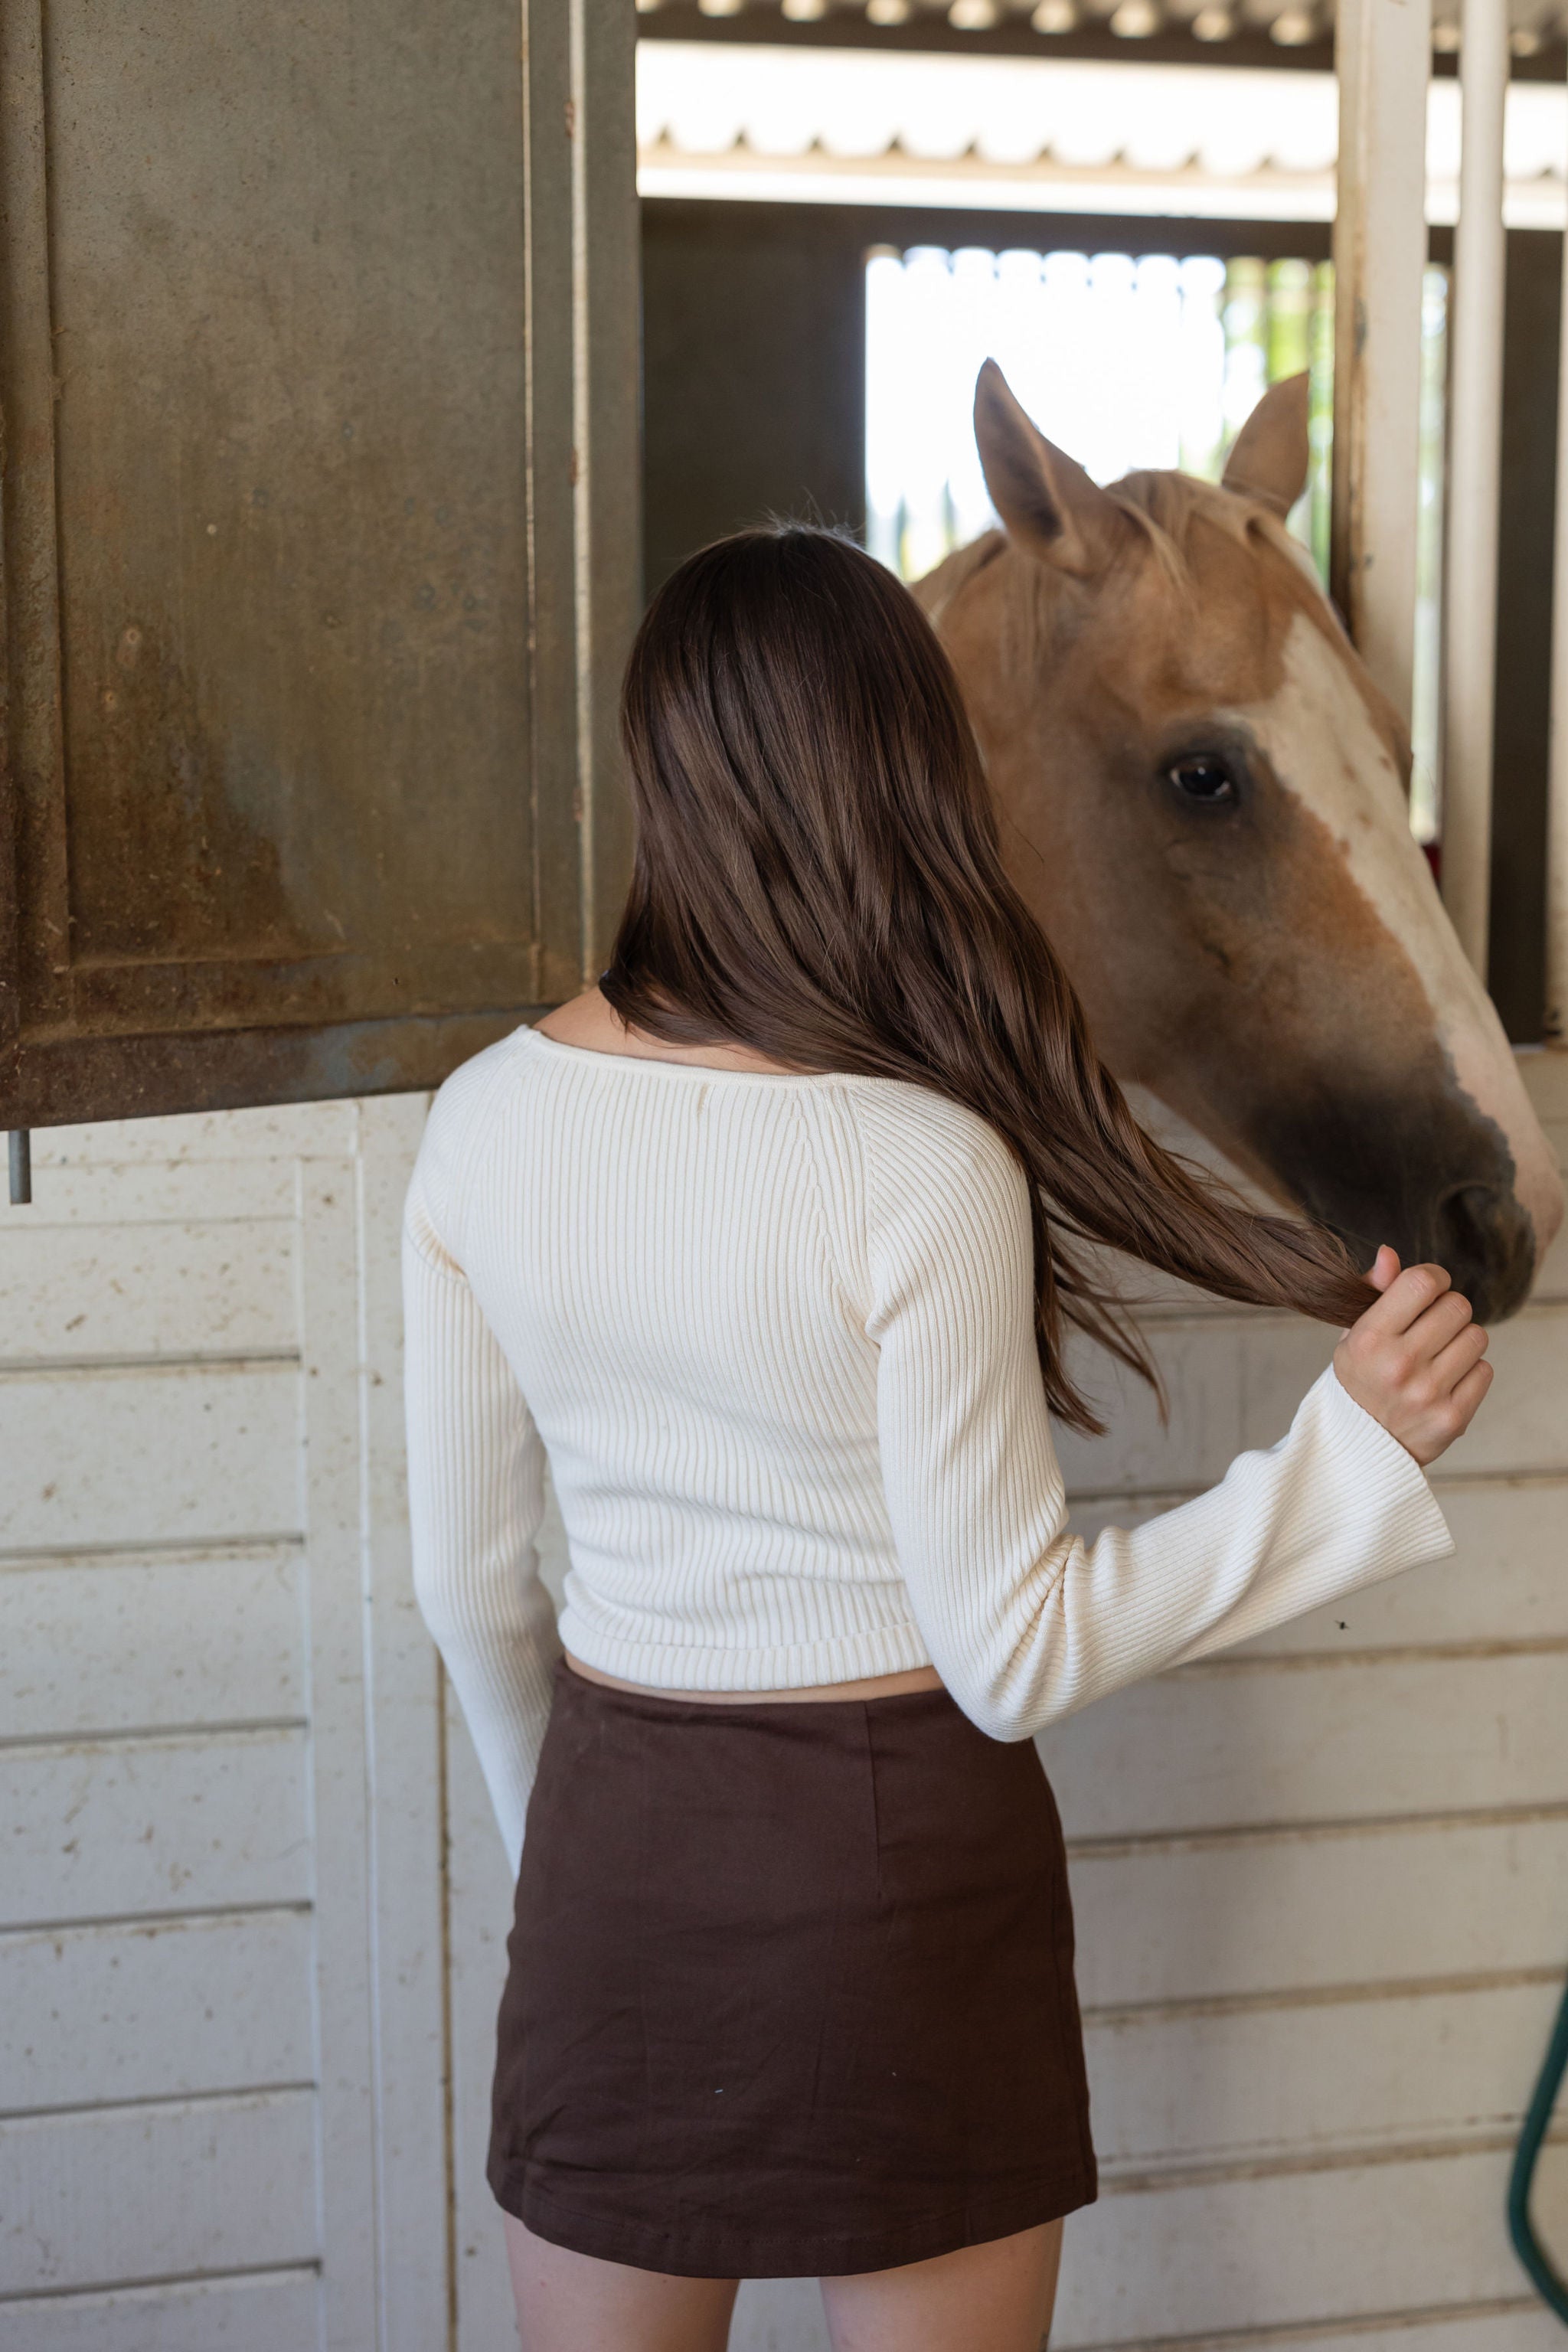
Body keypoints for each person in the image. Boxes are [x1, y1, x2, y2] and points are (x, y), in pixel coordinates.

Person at [402, 527, 1486, 2352]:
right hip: (896, 1876)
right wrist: (1341, 1466)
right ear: (909, 773)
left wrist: (579, 1870)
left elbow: (463, 1586)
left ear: (657, 766)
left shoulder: (479, 1121)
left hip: (611, 1865)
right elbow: (1011, 1655)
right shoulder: (919, 1162)